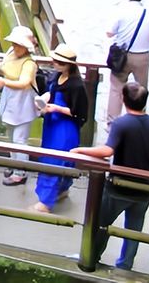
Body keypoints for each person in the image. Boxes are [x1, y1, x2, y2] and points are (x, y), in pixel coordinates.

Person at [74, 82, 149, 270]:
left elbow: (107, 151)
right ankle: (125, 266)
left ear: (123, 99)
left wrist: (80, 149)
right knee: (134, 231)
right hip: (144, 189)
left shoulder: (121, 123)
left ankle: (91, 258)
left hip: (119, 187)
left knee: (101, 224)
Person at [32, 42, 89, 211]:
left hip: (65, 128)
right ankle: (60, 190)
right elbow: (53, 90)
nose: (54, 64)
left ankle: (46, 202)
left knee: (57, 160)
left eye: (58, 62)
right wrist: (45, 99)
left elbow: (79, 112)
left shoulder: (77, 85)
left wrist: (56, 108)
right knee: (47, 157)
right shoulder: (57, 76)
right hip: (52, 124)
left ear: (67, 65)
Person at [0, 25, 39, 185]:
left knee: (20, 140)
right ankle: (13, 164)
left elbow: (24, 82)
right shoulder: (11, 54)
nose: (15, 47)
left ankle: (21, 172)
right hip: (10, 101)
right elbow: (6, 71)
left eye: (18, 44)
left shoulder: (29, 64)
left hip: (23, 104)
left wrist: (4, 82)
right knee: (11, 137)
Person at [105, 0, 149, 121]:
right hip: (142, 56)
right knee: (141, 88)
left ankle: (113, 121)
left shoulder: (120, 12)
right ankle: (139, 118)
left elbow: (109, 33)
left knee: (116, 88)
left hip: (121, 55)